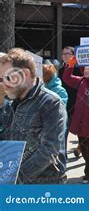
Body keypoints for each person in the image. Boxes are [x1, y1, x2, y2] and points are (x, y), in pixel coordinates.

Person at [0, 48, 67, 184]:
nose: (3, 83)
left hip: (46, 186)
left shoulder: (51, 103)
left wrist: (15, 177)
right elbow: (5, 139)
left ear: (24, 74)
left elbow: (49, 150)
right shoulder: (10, 103)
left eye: (7, 77)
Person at [62, 59, 89, 184]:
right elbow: (67, 78)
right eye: (85, 69)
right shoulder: (81, 81)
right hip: (81, 125)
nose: (86, 71)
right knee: (85, 152)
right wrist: (71, 63)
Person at [58, 45, 82, 157]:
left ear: (74, 56)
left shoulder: (79, 69)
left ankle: (81, 147)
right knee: (63, 132)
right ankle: (63, 157)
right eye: (63, 54)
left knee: (81, 133)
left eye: (68, 54)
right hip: (65, 105)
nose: (65, 56)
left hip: (77, 105)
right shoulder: (61, 70)